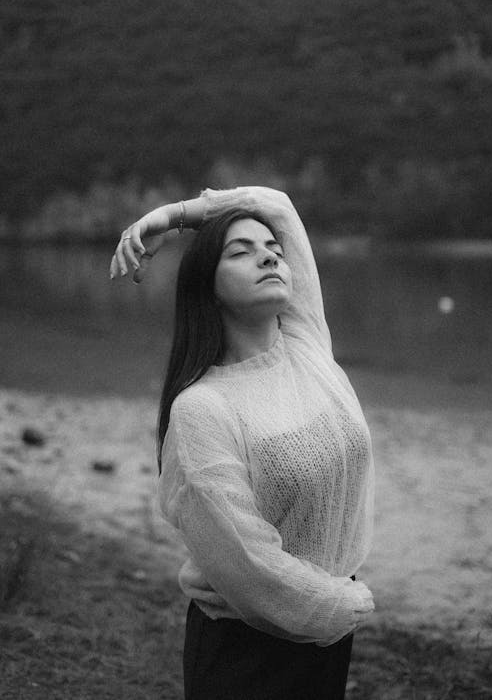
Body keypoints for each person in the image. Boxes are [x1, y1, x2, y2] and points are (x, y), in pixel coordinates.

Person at [110, 186, 375, 700]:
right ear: (206, 288)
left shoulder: (306, 347)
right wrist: (347, 604)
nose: (270, 253)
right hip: (247, 654)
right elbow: (250, 566)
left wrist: (172, 215)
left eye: (272, 247)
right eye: (240, 251)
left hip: (323, 632)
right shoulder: (202, 411)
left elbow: (276, 203)